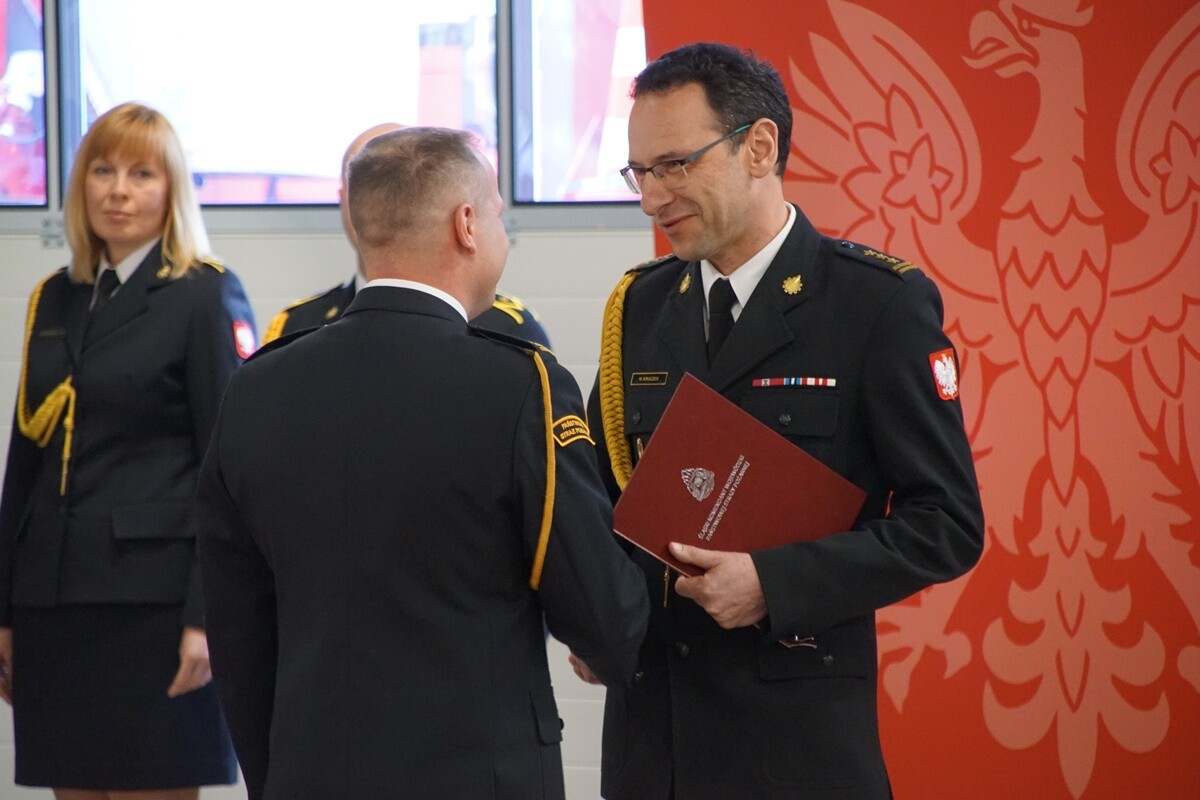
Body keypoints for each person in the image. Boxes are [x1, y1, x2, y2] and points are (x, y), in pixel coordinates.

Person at [195, 127, 649, 800]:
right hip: (478, 776)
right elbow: (600, 614)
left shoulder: (256, 389)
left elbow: (239, 631)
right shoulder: (521, 386)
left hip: (311, 773)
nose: (502, 233)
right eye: (498, 213)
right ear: (467, 224)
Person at [582, 43, 986, 799]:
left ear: (759, 147)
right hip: (654, 751)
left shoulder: (875, 304)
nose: (651, 198)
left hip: (795, 751)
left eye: (674, 166)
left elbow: (947, 525)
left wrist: (774, 582)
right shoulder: (638, 307)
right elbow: (600, 501)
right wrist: (593, 615)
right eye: (639, 173)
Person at [0, 102, 253, 799]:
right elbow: (25, 464)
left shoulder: (204, 295)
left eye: (142, 174)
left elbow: (228, 471)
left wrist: (207, 616)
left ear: (172, 190)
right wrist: (4, 609)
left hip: (154, 608)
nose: (118, 191)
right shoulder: (56, 298)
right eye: (103, 171)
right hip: (54, 603)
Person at [261, 122, 552, 348]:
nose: (384, 201)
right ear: (345, 200)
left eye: (398, 184)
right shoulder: (296, 325)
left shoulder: (510, 327)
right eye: (365, 185)